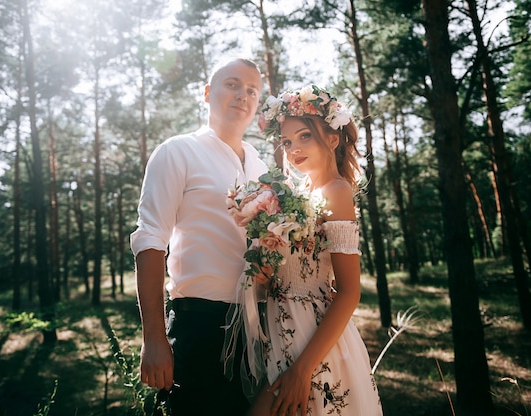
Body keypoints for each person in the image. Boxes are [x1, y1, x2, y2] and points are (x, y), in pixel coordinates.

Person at [130, 58, 268, 416]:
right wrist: (154, 339)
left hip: (263, 327)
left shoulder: (263, 168)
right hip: (201, 325)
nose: (243, 95)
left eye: (252, 90)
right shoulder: (177, 152)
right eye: (232, 84)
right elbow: (150, 242)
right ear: (208, 93)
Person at [244, 85, 383, 415]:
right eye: (287, 141)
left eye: (304, 136)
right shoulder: (295, 195)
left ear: (332, 139)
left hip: (314, 344)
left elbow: (349, 292)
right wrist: (264, 273)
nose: (293, 149)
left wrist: (303, 369)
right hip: (279, 335)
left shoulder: (336, 192)